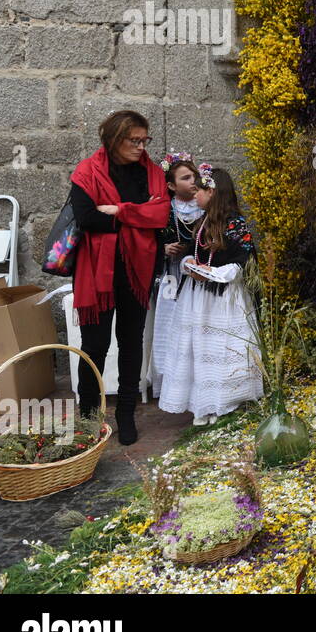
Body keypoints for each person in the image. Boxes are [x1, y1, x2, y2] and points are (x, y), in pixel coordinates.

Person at [69, 110, 169, 444]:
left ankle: (126, 413)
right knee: (94, 347)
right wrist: (137, 216)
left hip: (137, 272)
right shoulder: (88, 171)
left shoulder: (153, 174)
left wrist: (119, 211)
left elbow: (160, 215)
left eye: (145, 140)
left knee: (130, 343)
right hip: (97, 273)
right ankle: (86, 421)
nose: (141, 146)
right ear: (114, 139)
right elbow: (85, 218)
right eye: (134, 140)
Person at [158, 165, 263, 424]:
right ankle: (202, 402)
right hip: (198, 298)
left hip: (223, 299)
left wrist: (214, 273)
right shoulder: (201, 221)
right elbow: (188, 252)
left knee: (223, 346)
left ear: (213, 192)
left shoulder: (235, 223)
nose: (195, 195)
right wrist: (190, 264)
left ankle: (225, 400)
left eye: (200, 190)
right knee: (200, 346)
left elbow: (243, 260)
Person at [149, 152, 203, 399]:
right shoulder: (164, 209)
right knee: (171, 324)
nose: (193, 181)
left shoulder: (205, 204)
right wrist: (163, 249)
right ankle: (172, 382)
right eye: (186, 178)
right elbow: (147, 241)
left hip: (199, 273)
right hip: (172, 276)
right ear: (171, 185)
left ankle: (199, 380)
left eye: (195, 176)